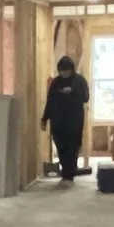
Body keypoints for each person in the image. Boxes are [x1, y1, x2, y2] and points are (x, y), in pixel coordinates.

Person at [42, 55, 92, 183]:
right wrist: (45, 118)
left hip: (74, 120)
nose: (64, 73)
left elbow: (86, 98)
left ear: (71, 69)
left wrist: (74, 91)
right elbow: (50, 101)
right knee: (61, 147)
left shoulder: (79, 81)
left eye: (66, 71)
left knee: (73, 146)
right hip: (58, 121)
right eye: (61, 71)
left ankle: (69, 172)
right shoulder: (56, 83)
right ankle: (67, 171)